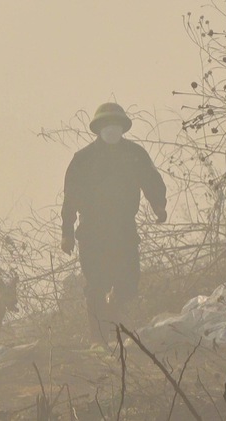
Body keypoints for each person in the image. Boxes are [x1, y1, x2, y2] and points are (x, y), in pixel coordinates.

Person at [60, 102, 167, 345]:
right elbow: (71, 198)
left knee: (128, 283)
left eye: (115, 125)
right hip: (92, 234)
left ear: (123, 128)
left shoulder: (135, 154)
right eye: (106, 125)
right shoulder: (83, 159)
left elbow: (151, 181)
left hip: (124, 232)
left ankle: (117, 332)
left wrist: (159, 205)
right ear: (98, 128)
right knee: (96, 287)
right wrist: (66, 232)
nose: (111, 130)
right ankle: (99, 341)